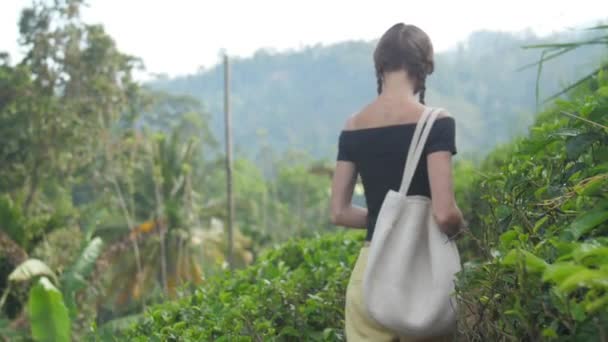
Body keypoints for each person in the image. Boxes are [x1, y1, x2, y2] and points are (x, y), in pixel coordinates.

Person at [329, 23, 466, 341]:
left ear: (380, 66)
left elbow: (338, 212)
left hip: (370, 277)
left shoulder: (353, 125)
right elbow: (444, 213)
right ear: (425, 67)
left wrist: (388, 219)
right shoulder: (437, 123)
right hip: (421, 279)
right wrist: (461, 228)